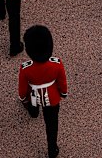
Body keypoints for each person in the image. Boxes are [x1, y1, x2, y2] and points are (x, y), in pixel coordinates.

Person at [18, 25, 68, 158]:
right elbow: (62, 81)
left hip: (34, 94)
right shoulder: (56, 64)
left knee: (33, 106)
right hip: (52, 98)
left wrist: (24, 98)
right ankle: (52, 149)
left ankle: (33, 112)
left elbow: (22, 88)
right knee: (52, 125)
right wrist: (63, 93)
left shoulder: (25, 68)